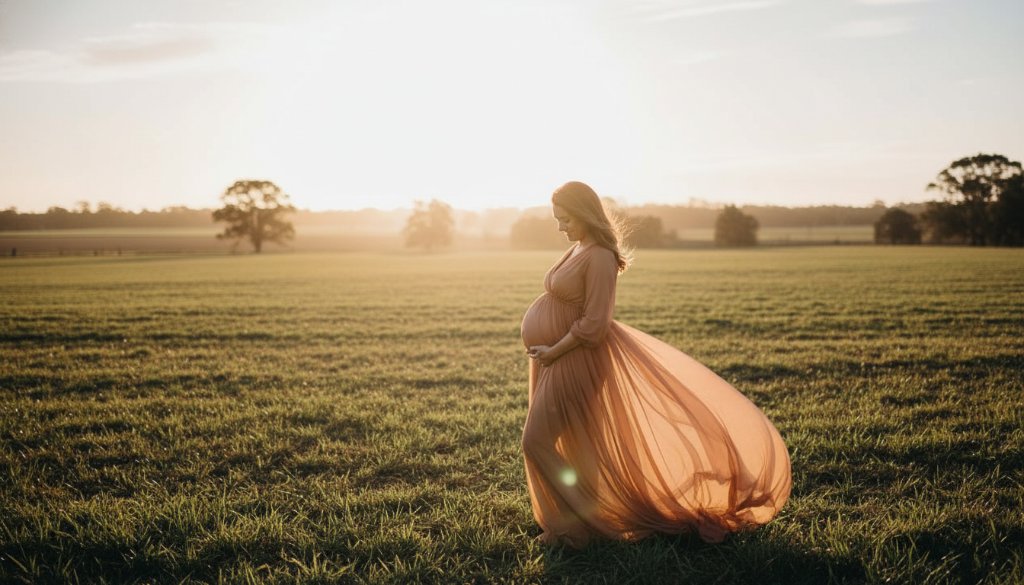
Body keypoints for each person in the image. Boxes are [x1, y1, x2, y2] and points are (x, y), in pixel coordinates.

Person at [520, 181, 791, 548]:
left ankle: (579, 528)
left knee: (536, 440)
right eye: (557, 219)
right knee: (578, 446)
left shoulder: (600, 256)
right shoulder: (578, 247)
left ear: (585, 214)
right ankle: (582, 526)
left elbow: (595, 324)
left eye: (565, 219)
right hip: (556, 357)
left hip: (576, 358)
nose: (560, 227)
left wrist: (554, 350)